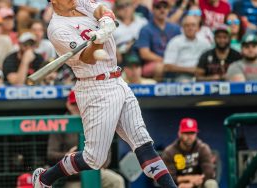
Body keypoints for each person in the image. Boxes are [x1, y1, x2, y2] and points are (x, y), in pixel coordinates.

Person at [32, 0, 177, 188]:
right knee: (94, 159)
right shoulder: (57, 29)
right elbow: (88, 58)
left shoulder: (79, 2)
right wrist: (97, 40)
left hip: (117, 79)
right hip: (95, 87)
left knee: (143, 143)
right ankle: (45, 178)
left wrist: (106, 20)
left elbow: (101, 9)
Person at [47, 91, 125, 188]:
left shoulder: (97, 120)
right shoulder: (60, 123)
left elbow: (107, 151)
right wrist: (66, 155)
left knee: (116, 180)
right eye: (73, 103)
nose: (77, 106)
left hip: (95, 171)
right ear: (68, 104)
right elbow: (50, 154)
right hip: (72, 175)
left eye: (80, 103)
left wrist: (101, 164)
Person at [162, 118, 218, 188]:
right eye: (186, 133)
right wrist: (189, 178)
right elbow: (169, 178)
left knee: (211, 183)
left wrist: (192, 184)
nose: (189, 136)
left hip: (199, 184)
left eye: (192, 133)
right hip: (179, 186)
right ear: (179, 133)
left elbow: (209, 173)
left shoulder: (202, 148)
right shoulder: (169, 152)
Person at [135, 0, 181, 80]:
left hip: (173, 62)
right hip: (153, 64)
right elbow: (144, 53)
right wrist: (165, 61)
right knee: (160, 67)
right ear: (152, 9)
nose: (162, 10)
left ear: (169, 9)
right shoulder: (146, 29)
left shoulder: (176, 28)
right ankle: (157, 91)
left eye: (165, 7)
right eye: (158, 7)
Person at [163, 15, 211, 82]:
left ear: (198, 28)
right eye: (187, 25)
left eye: (193, 25)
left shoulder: (205, 42)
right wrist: (191, 70)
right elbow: (167, 66)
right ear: (182, 28)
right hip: (182, 76)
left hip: (203, 75)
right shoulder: (175, 42)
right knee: (186, 83)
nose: (190, 28)